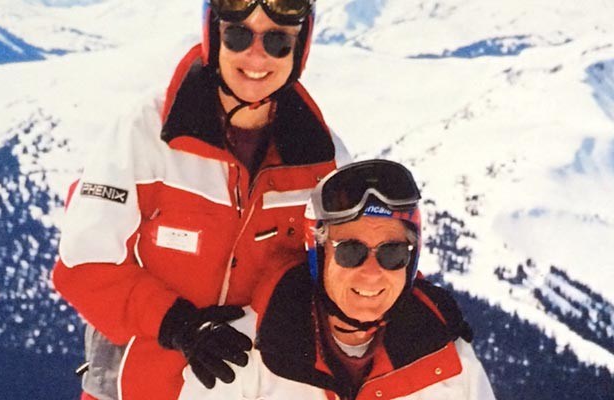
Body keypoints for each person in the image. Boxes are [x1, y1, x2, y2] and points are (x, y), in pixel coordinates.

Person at [52, 1, 350, 399]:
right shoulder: (148, 133)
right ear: (214, 37)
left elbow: (359, 265)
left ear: (300, 49)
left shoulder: (321, 158)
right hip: (140, 385)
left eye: (279, 42)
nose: (257, 56)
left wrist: (420, 314)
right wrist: (177, 324)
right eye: (238, 35)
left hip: (251, 387)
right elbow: (84, 263)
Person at [178, 159, 496, 400]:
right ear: (318, 255)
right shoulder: (238, 356)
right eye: (350, 251)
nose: (372, 273)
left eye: (393, 253)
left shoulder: (450, 364)